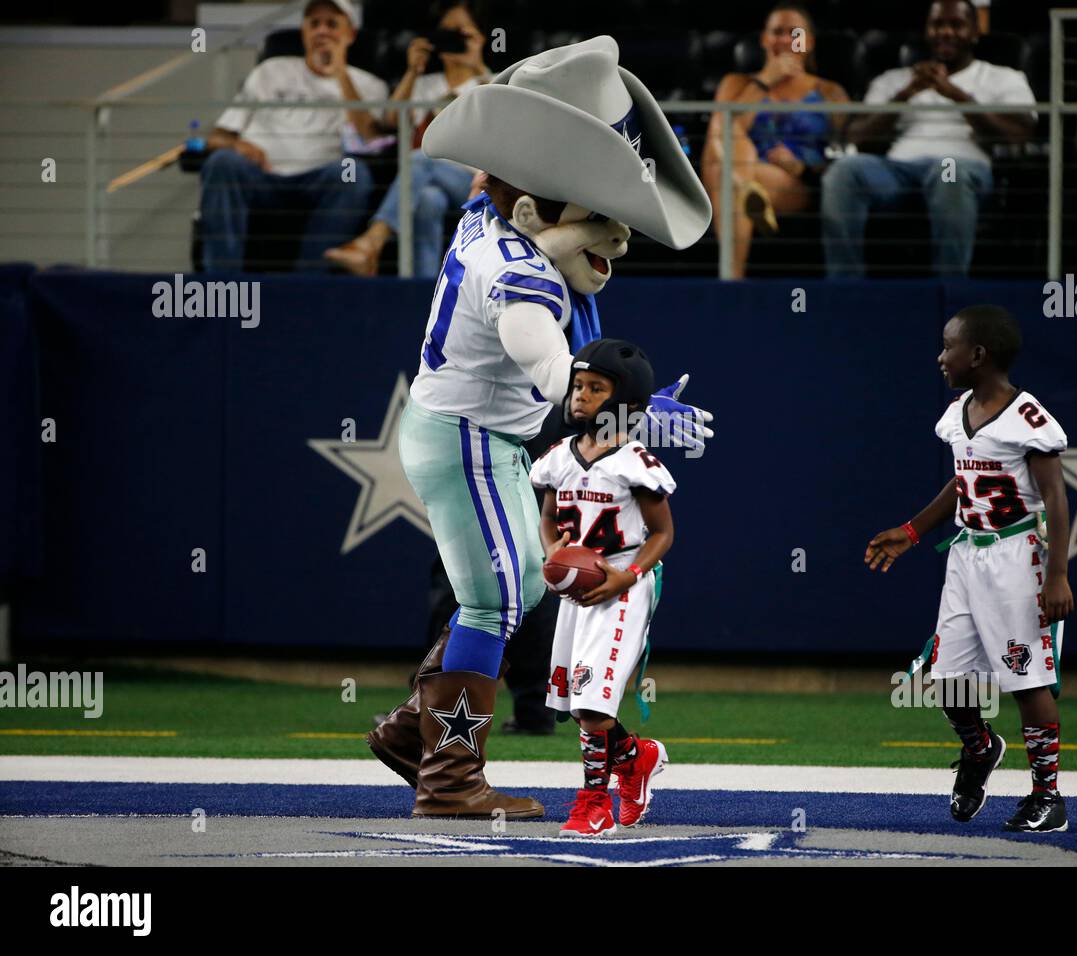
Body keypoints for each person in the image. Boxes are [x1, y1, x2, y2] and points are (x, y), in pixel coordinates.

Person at [363, 36, 714, 820]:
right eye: (601, 216)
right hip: (468, 436)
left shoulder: (495, 222)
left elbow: (498, 201)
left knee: (519, 585)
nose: (616, 239)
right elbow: (563, 383)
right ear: (535, 206)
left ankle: (411, 733)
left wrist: (556, 227)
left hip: (472, 429)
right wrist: (641, 410)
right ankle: (449, 779)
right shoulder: (521, 281)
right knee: (492, 602)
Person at [864, 304, 1074, 833]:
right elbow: (963, 484)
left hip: (1016, 556)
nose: (940, 356)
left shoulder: (1027, 418)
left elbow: (1055, 498)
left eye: (948, 345)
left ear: (977, 354)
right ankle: (980, 750)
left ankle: (1048, 796)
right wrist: (911, 531)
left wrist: (1057, 574)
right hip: (966, 553)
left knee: (1027, 679)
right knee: (948, 678)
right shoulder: (958, 411)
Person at [531, 339, 675, 836]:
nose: (581, 396)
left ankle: (594, 803)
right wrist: (553, 551)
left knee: (593, 706)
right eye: (578, 385)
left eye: (596, 388)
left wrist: (627, 576)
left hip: (622, 582)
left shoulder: (632, 462)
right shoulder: (559, 458)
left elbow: (662, 533)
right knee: (577, 707)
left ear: (624, 403)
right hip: (578, 586)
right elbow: (548, 519)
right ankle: (636, 758)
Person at [821, 0, 1034, 277]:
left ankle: (950, 292)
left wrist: (957, 96)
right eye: (938, 25)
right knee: (843, 172)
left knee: (947, 171)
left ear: (975, 32)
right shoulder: (894, 80)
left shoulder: (1003, 78)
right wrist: (905, 94)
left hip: (960, 167)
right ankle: (844, 288)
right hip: (897, 171)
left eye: (956, 25)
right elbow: (857, 137)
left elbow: (1020, 133)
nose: (946, 32)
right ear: (927, 31)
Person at [199, 0, 389, 272]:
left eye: (332, 24)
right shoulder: (270, 70)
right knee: (222, 162)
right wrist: (238, 146)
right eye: (314, 24)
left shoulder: (370, 85)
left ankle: (306, 286)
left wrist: (340, 75)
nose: (322, 31)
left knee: (353, 173)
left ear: (350, 35)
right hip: (260, 175)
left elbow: (370, 140)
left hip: (319, 180)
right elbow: (216, 137)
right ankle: (222, 285)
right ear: (303, 32)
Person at [325, 1, 494, 276]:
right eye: (446, 33)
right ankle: (424, 290)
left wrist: (477, 67)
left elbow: (504, 123)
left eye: (461, 34)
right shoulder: (425, 84)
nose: (453, 40)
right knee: (428, 201)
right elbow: (389, 123)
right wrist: (412, 71)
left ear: (479, 38)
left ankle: (372, 242)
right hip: (428, 182)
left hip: (476, 182)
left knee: (419, 158)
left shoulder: (492, 81)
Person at [700, 4, 849, 278]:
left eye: (794, 33)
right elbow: (722, 133)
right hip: (737, 172)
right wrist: (767, 80)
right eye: (777, 32)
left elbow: (846, 155)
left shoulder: (829, 92)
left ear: (810, 42)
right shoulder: (737, 82)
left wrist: (801, 168)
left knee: (727, 171)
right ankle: (746, 193)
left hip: (795, 181)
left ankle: (730, 284)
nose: (784, 39)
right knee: (728, 139)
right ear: (764, 39)